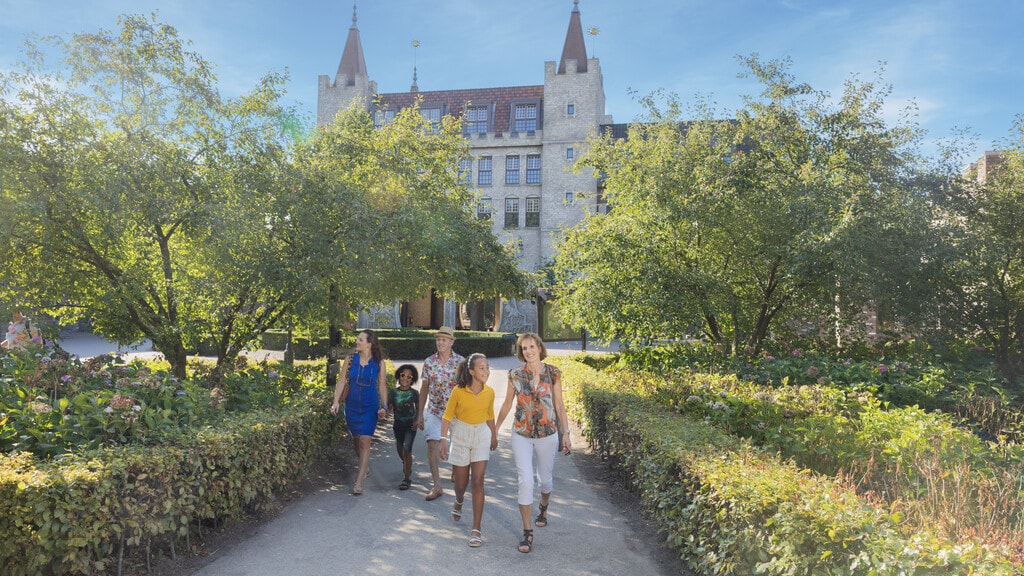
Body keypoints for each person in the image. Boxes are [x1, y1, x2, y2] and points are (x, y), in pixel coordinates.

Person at [495, 332, 572, 554]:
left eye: (532, 346)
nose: (528, 351)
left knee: (545, 481)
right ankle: (527, 532)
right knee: (525, 481)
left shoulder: (553, 372)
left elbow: (559, 404)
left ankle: (543, 507)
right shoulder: (515, 374)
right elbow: (507, 404)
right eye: (524, 348)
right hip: (522, 434)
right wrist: (495, 429)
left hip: (548, 434)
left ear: (539, 348)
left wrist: (566, 433)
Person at [440, 353, 497, 548]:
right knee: (461, 484)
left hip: (482, 434)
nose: (486, 371)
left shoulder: (489, 392)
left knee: (478, 481)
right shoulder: (458, 391)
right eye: (482, 368)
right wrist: (443, 440)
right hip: (461, 435)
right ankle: (458, 500)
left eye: (487, 368)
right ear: (471, 372)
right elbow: (447, 416)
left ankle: (476, 528)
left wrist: (494, 435)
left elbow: (490, 415)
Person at [330, 329, 388, 495]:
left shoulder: (379, 363)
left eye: (360, 340)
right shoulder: (350, 360)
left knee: (365, 441)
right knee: (357, 440)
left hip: (370, 407)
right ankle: (364, 466)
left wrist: (384, 406)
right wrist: (335, 402)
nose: (357, 342)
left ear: (369, 343)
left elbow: (382, 386)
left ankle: (358, 482)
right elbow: (341, 381)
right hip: (352, 406)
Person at [414, 326, 464, 501]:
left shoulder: (461, 362)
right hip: (435, 410)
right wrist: (420, 414)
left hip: (456, 412)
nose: (440, 343)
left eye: (444, 340)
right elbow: (424, 388)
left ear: (451, 342)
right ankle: (436, 485)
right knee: (432, 443)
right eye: (438, 339)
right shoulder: (429, 362)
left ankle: (455, 470)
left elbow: (466, 388)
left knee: (458, 445)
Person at [388, 364, 420, 490]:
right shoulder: (393, 393)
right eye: (403, 375)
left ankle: (406, 479)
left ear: (413, 379)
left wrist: (417, 420)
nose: (405, 378)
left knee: (407, 449)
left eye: (409, 377)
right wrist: (382, 412)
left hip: (410, 426)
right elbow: (389, 408)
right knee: (400, 449)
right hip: (398, 425)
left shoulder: (414, 393)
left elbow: (419, 408)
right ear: (399, 376)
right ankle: (406, 463)